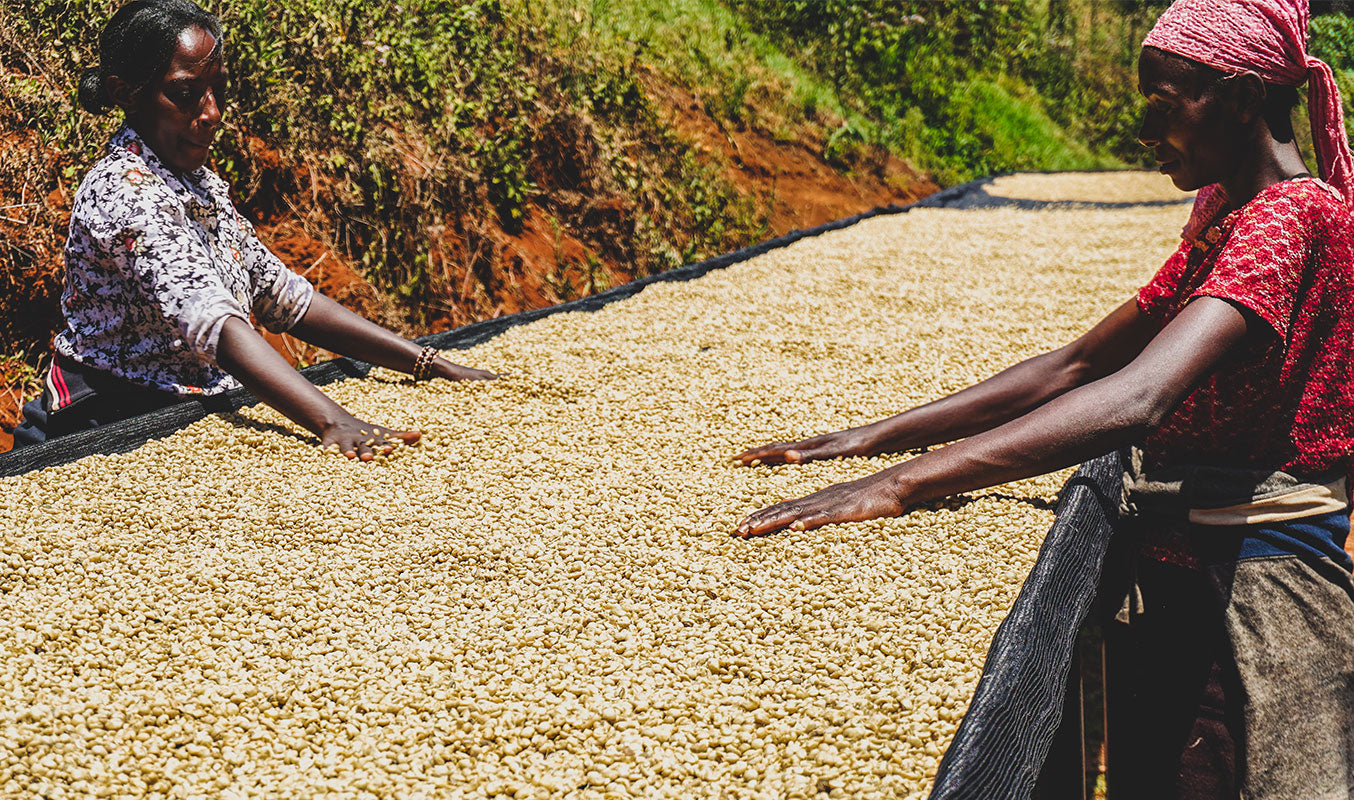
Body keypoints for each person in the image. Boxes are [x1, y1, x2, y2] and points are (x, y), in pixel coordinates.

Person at [734, 0, 1353, 795]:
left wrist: (901, 486)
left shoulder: (1290, 219)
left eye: (1163, 109)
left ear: (1238, 99)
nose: (1144, 134)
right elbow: (1077, 365)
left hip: (1257, 586)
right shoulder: (1227, 214)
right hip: (1185, 567)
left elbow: (1140, 396)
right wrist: (872, 439)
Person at [13, 0, 495, 460]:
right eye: (185, 94)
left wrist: (425, 362)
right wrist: (332, 421)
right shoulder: (126, 192)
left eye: (217, 90)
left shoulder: (196, 185)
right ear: (126, 93)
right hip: (105, 421)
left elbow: (284, 298)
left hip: (183, 409)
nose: (212, 113)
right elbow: (213, 322)